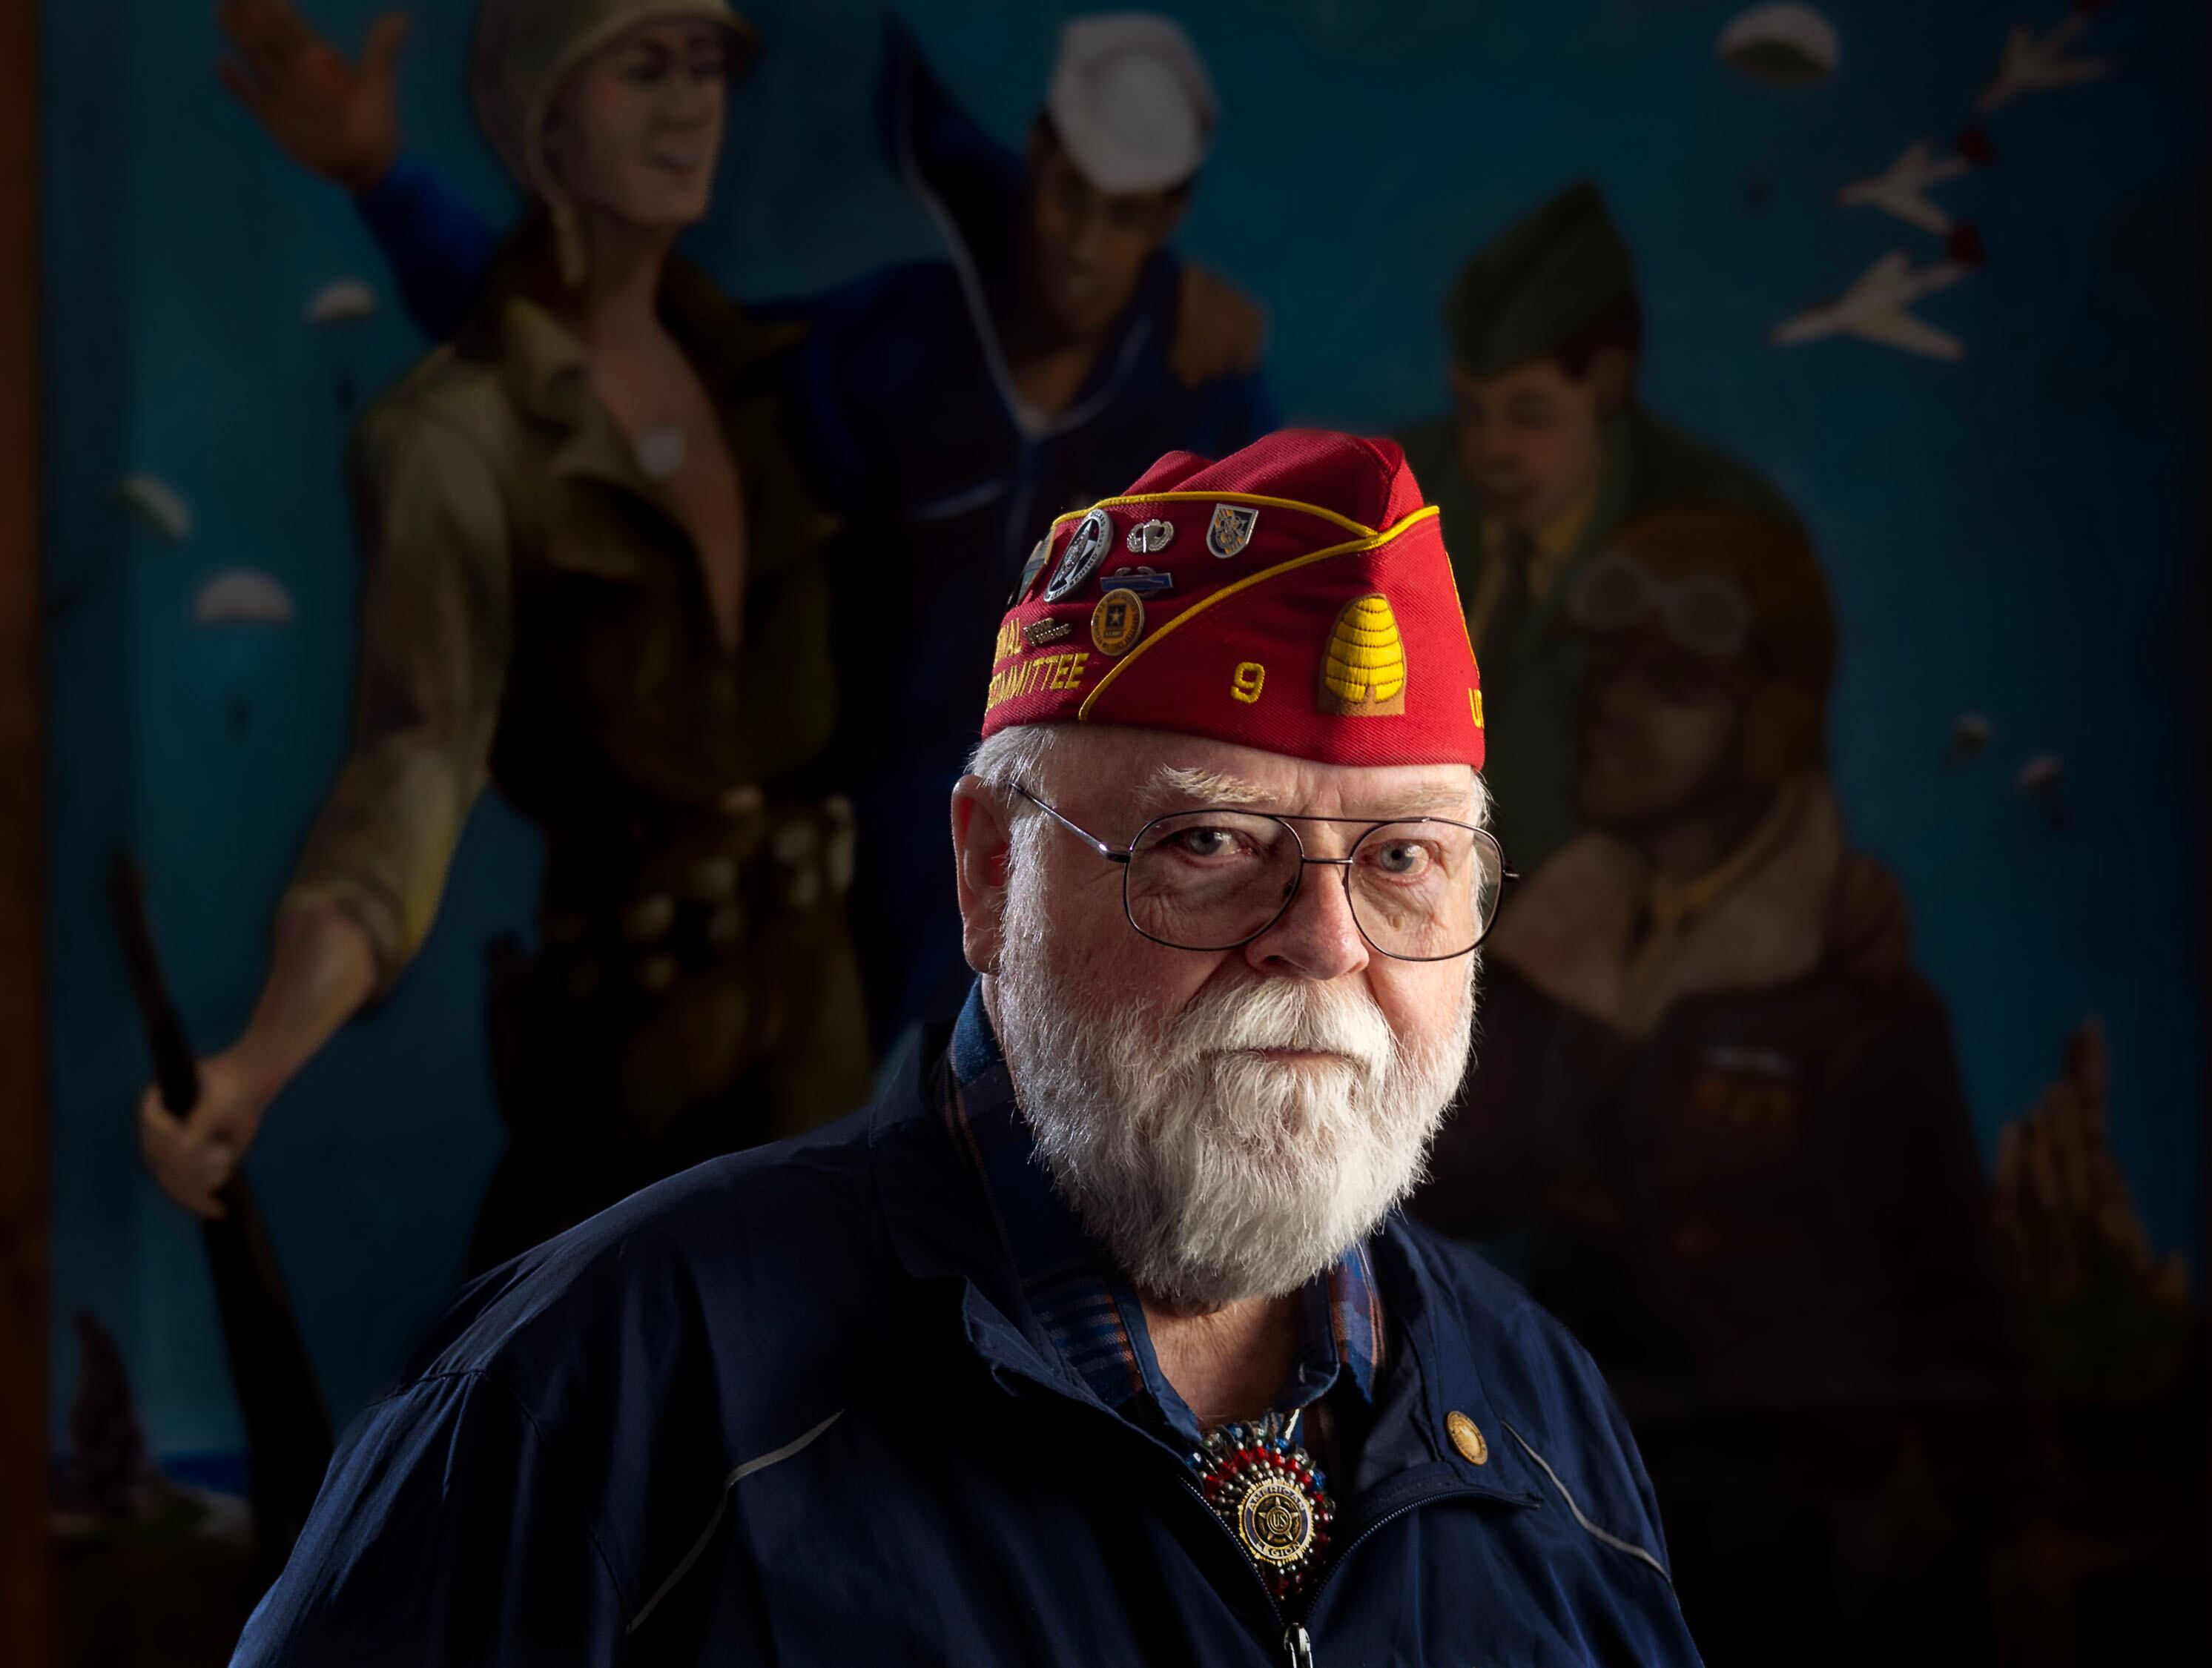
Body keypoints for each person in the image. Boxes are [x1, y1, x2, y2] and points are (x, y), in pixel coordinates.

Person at [228, 431, 1703, 1664]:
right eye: (1208, 842)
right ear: (992, 874)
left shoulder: (1541, 1423)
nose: (1325, 944)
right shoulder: (609, 1390)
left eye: (1401, 863)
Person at [212, 1, 1279, 1049]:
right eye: (1069, 194)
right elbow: (605, 379)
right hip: (845, 930)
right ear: (1034, 160)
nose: (1086, 244)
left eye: (1129, 213)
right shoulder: (895, 351)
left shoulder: (1204, 405)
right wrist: (389, 189)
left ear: (1172, 214)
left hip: (1078, 935)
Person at [141, 0, 868, 1275]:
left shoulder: (773, 380)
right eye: (643, 70)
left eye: (705, 68)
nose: (691, 103)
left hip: (821, 1043)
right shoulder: (454, 444)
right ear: (545, 121)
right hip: (630, 1052)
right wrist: (260, 1056)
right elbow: (413, 766)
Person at [1411, 509, 2011, 1660]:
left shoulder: (1861, 1006)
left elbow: (1955, 1303)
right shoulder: (1553, 946)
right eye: (1608, 671)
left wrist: (2010, 1530)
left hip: (1797, 1558)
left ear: (1772, 724)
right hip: (1572, 1508)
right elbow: (1464, 1181)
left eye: (1671, 685)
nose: (1613, 707)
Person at [1396, 181, 1803, 874]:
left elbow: (1777, 778)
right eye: (1472, 411)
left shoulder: (1720, 529)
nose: (1490, 452)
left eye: (1529, 414)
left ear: (1608, 384)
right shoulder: (1399, 493)